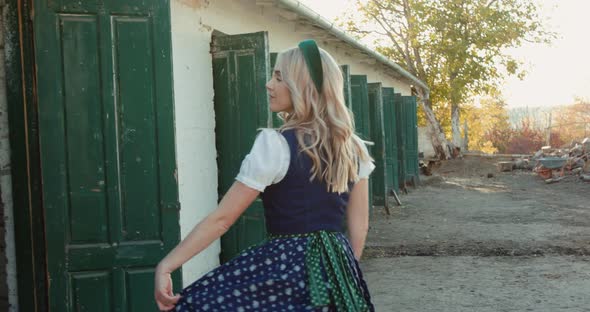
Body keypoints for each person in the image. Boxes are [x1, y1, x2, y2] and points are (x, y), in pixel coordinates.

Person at [154, 39, 375, 312]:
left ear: (301, 86)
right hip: (338, 269)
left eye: (279, 77)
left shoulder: (275, 144)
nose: (269, 84)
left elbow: (222, 220)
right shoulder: (353, 147)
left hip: (284, 270)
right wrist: (343, 272)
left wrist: (168, 264)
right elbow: (359, 226)